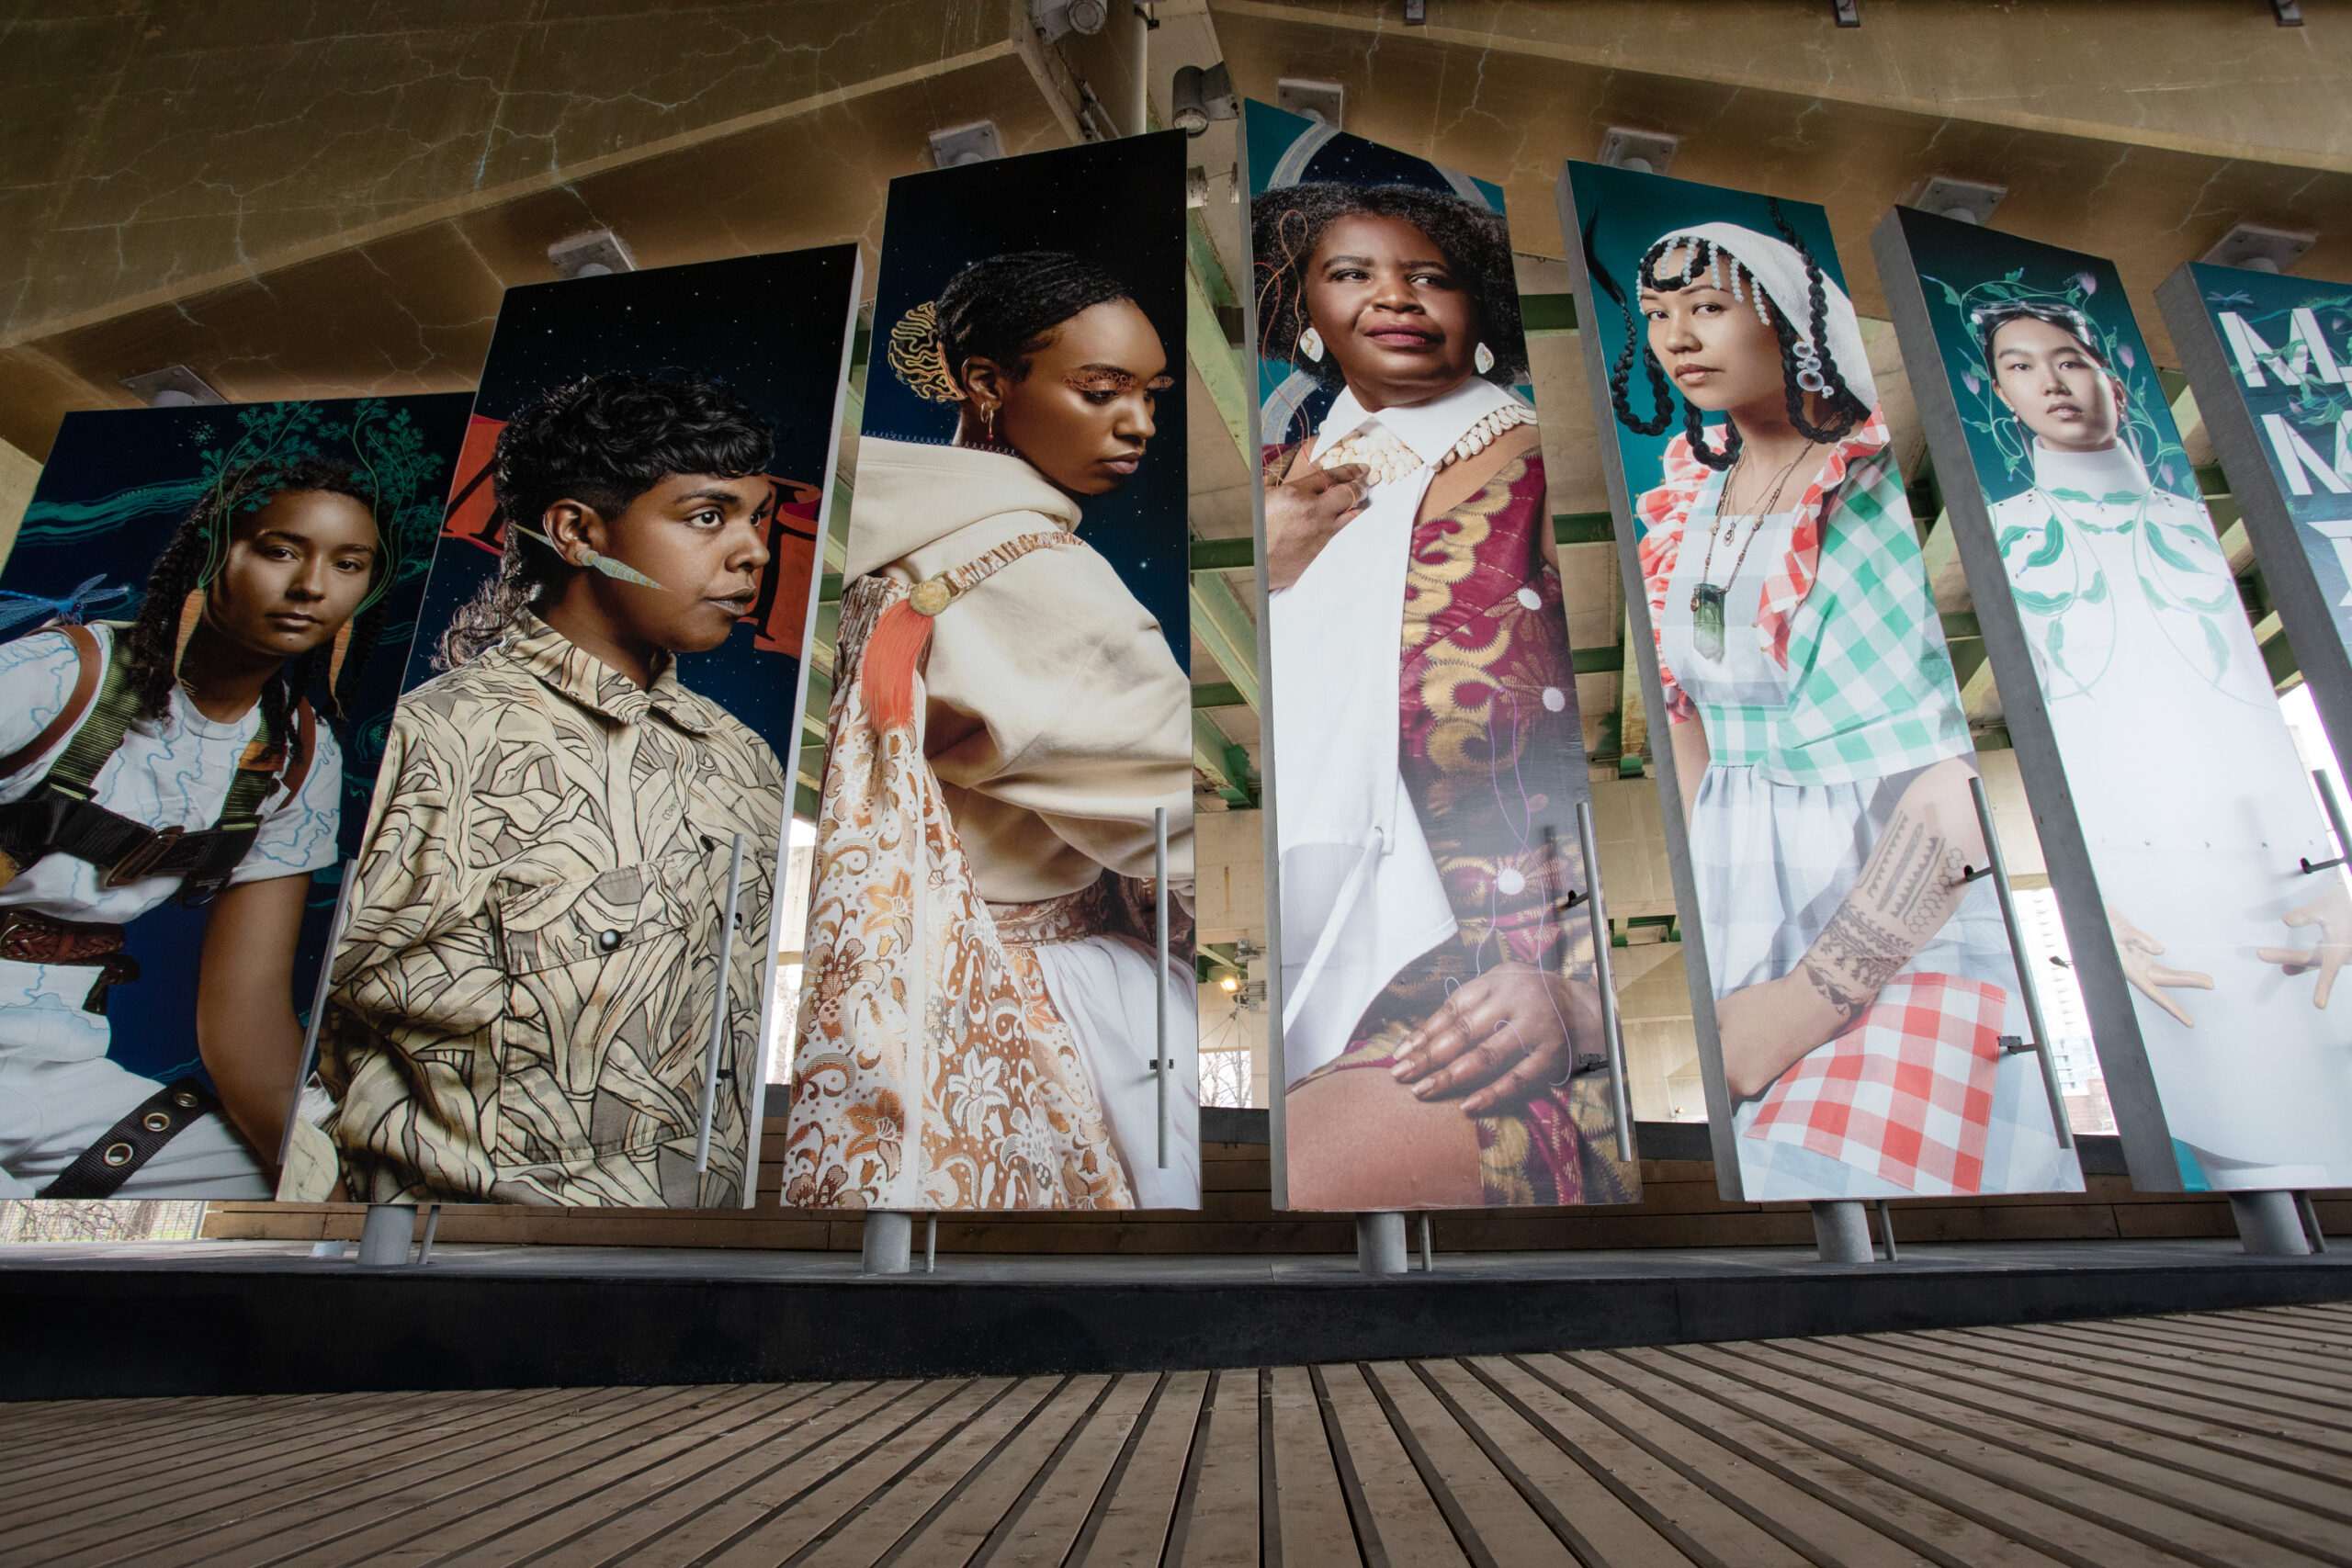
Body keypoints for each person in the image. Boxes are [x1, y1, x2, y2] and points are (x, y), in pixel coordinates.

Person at [1604, 211, 2075, 1200]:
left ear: (1783, 317)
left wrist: (1809, 999)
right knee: (1784, 1179)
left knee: (1850, 1167)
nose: (1676, 336)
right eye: (1656, 313)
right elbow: (1687, 728)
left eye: (1708, 306)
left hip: (1889, 909)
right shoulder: (1688, 495)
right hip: (1745, 898)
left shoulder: (1857, 489)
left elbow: (1947, 785)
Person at [288, 371, 788, 1206]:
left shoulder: (742, 758)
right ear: (576, 532)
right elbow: (292, 1023)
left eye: (755, 518)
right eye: (707, 516)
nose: (754, 552)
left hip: (698, 1262)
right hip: (457, 1273)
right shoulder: (429, 740)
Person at [785, 251, 1198, 1212]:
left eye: (1150, 393)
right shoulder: (1028, 569)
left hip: (920, 992)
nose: (1137, 422)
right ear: (984, 383)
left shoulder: (885, 542)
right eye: (1100, 391)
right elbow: (1168, 809)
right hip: (1050, 1001)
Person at [1252, 180, 1633, 1211]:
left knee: (1303, 1180)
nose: (1395, 298)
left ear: (1476, 312)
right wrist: (1259, 568)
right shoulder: (1266, 491)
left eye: (1431, 277)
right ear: (1308, 317)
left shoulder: (1544, 463)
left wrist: (1591, 1001)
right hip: (1301, 938)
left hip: (1507, 980)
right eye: (1352, 275)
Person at [1977, 299, 2352, 1187]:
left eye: (2066, 357)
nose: (2053, 382)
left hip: (2279, 885)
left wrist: (2329, 875)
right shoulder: (2012, 535)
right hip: (2146, 899)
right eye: (2021, 367)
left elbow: (2249, 715)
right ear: (2000, 393)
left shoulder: (2189, 526)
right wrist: (2092, 910)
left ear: (2107, 370)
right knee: (2232, 1125)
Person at [0, 454, 379, 1198]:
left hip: (63, 1069)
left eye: (348, 564)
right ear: (212, 554)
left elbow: (246, 1020)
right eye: (279, 550)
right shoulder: (54, 676)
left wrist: (322, 1201)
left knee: (250, 1193)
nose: (311, 586)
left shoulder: (300, 756)